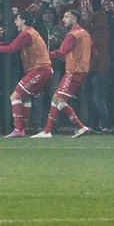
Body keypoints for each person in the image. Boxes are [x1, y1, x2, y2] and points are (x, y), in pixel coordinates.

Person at [0, 10, 53, 138]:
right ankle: (23, 126)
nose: (15, 22)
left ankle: (19, 129)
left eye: (17, 19)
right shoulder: (29, 33)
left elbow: (10, 49)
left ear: (23, 21)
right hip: (43, 70)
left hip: (40, 70)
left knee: (14, 96)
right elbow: (11, 43)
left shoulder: (27, 34)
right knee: (25, 97)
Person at [33, 9, 92, 138]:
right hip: (80, 70)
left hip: (74, 71)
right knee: (57, 99)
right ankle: (79, 127)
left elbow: (60, 52)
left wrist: (44, 55)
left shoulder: (73, 35)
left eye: (66, 17)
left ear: (74, 19)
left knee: (59, 99)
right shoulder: (85, 33)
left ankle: (48, 131)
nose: (63, 20)